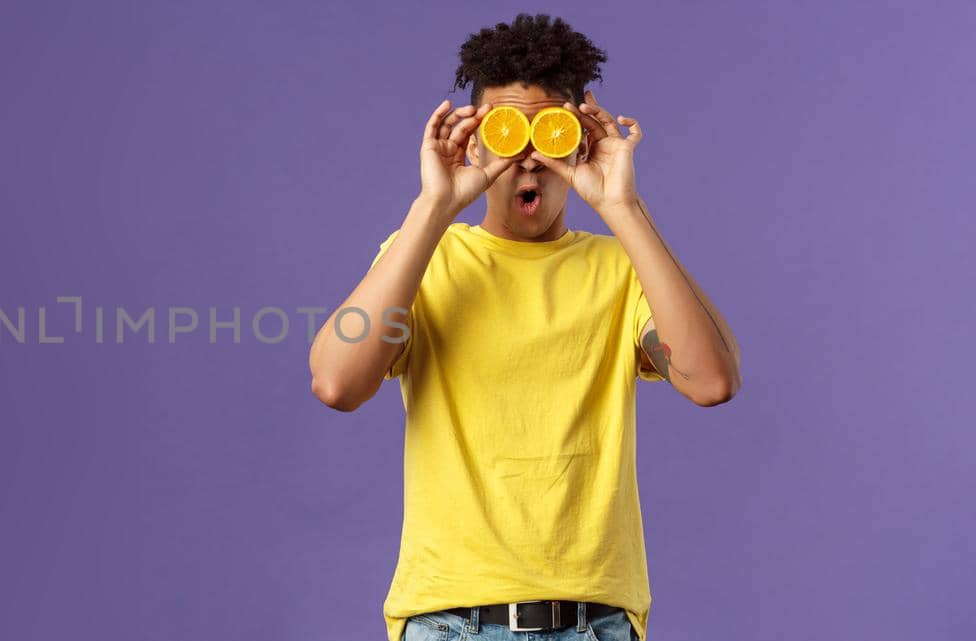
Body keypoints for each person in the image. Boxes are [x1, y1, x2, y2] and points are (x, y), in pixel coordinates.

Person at [306, 13, 742, 641]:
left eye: (551, 135)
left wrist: (624, 207)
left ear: (580, 143)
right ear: (476, 142)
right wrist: (432, 207)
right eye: (509, 135)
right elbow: (336, 382)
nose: (530, 162)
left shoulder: (621, 270)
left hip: (595, 622)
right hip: (449, 619)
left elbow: (711, 380)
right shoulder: (424, 261)